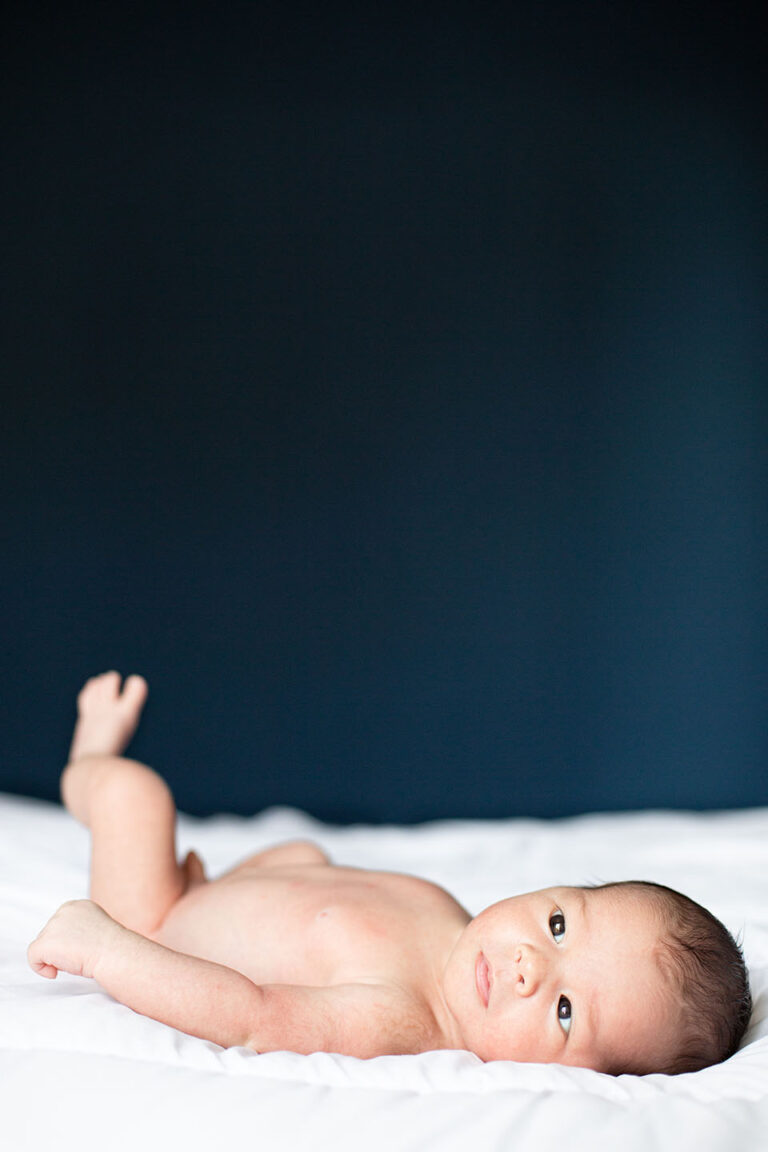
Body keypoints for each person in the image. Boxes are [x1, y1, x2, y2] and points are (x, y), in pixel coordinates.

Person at [28, 673, 752, 1074]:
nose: (530, 964)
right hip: (215, 895)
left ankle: (89, 761)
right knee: (306, 857)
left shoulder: (404, 1019)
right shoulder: (448, 915)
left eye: (565, 1012)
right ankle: (212, 885)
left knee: (136, 797)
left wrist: (112, 948)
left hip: (157, 921)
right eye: (559, 925)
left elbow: (255, 1016)